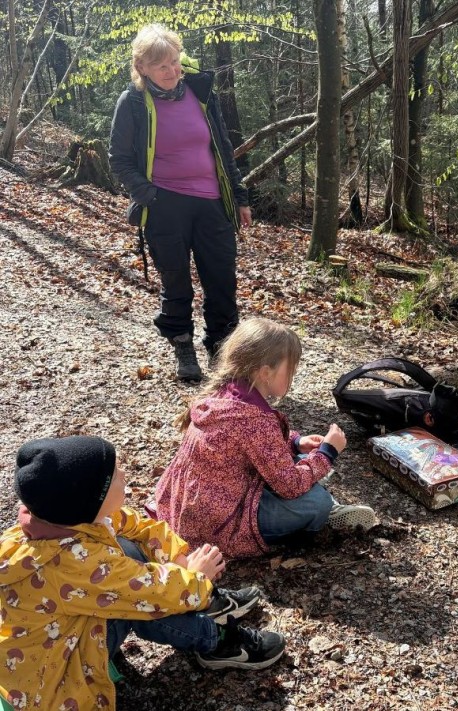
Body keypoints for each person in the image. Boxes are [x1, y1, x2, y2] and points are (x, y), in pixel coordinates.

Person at [0, 436, 286, 711]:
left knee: (128, 549)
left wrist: (180, 559)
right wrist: (199, 579)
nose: (123, 473)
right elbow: (153, 592)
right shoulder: (74, 561)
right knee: (143, 604)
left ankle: (208, 603)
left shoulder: (61, 522)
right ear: (90, 500)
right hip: (57, 682)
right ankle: (217, 640)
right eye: (114, 474)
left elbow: (140, 525)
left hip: (54, 643)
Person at [155, 318, 378, 559]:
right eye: (290, 369)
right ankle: (325, 515)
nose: (293, 374)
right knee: (316, 501)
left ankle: (324, 504)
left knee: (302, 457)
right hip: (222, 524)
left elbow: (257, 448)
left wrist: (295, 442)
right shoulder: (252, 420)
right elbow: (289, 485)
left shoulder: (226, 392)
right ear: (265, 372)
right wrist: (328, 452)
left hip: (195, 506)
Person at [109, 24, 251, 382]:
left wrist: (239, 197)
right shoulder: (133, 104)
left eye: (174, 62)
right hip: (165, 204)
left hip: (213, 203)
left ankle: (221, 345)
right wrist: (149, 195)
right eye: (162, 66)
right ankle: (182, 344)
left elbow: (222, 149)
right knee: (175, 280)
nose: (172, 71)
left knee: (221, 278)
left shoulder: (200, 92)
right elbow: (119, 159)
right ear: (142, 67)